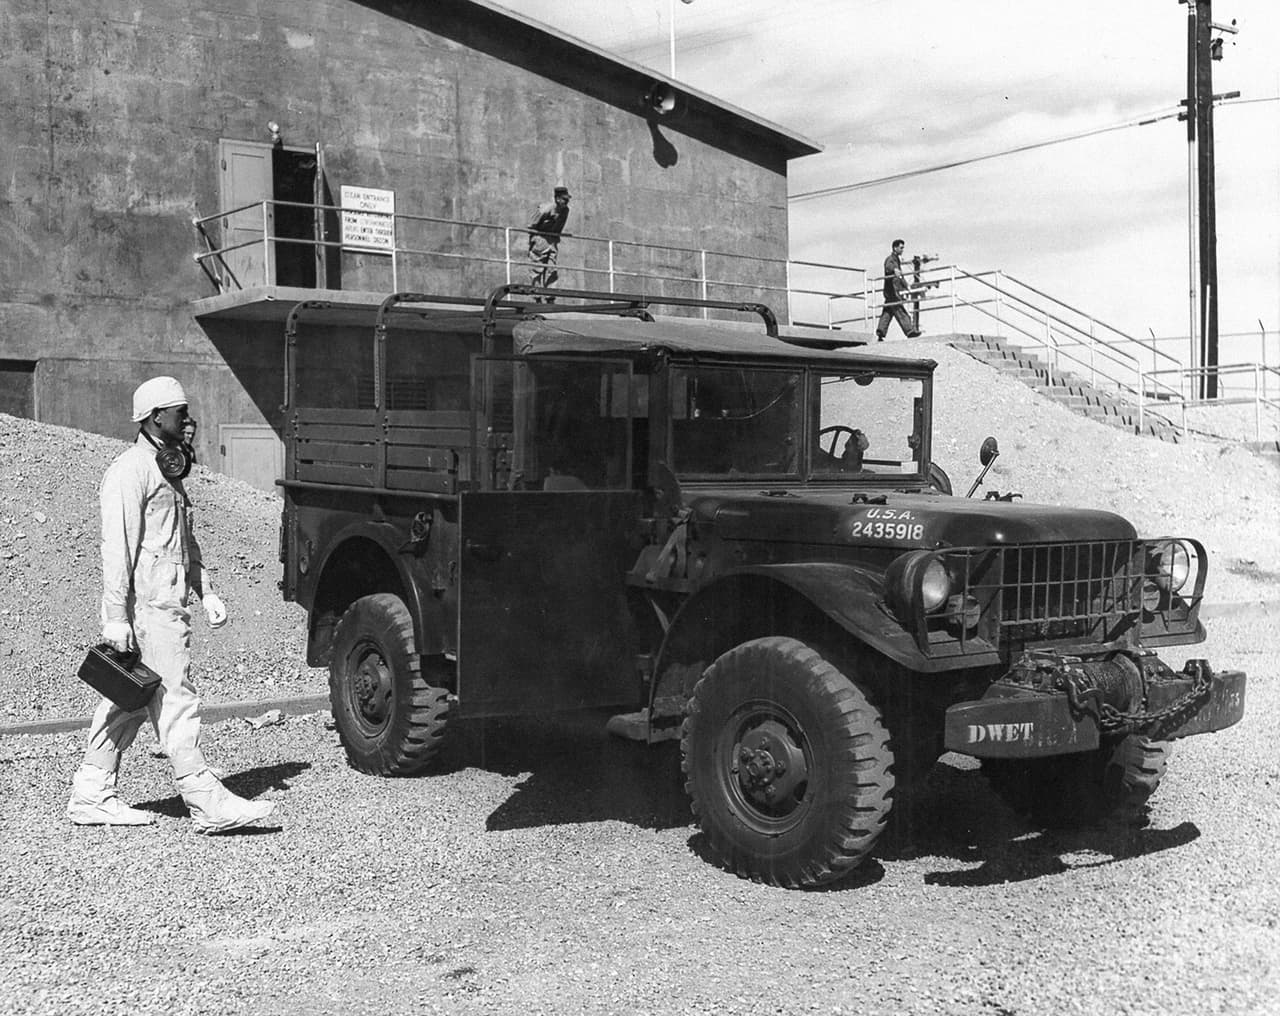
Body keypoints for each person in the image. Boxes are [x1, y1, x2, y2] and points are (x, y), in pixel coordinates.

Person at [66, 377, 277, 833]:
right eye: (180, 413)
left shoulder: (168, 472)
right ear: (156, 416)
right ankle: (205, 801)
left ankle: (91, 792)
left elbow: (183, 541)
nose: (187, 421)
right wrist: (115, 617)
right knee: (176, 697)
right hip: (150, 610)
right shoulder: (129, 470)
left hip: (169, 603)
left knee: (127, 697)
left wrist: (207, 591)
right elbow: (116, 549)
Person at [527, 185, 572, 303]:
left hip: (552, 240)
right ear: (557, 199)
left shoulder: (565, 210)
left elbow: (559, 227)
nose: (566, 202)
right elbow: (531, 225)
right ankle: (537, 297)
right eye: (564, 199)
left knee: (551, 269)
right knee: (537, 268)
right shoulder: (545, 209)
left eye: (567, 199)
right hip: (540, 239)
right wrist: (535, 240)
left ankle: (550, 297)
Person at [876, 239, 922, 341]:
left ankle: (880, 332)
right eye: (901, 248)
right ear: (895, 248)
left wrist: (906, 286)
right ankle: (909, 331)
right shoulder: (891, 259)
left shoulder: (896, 260)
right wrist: (894, 270)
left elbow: (900, 276)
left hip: (892, 291)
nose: (902, 250)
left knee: (888, 311)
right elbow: (889, 267)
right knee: (900, 310)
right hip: (892, 291)